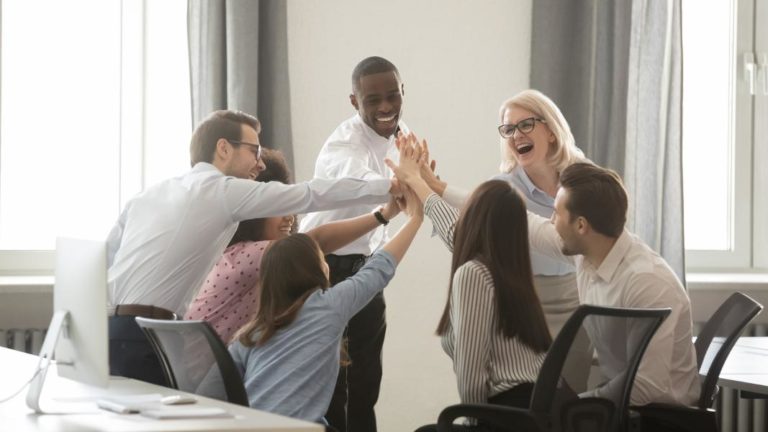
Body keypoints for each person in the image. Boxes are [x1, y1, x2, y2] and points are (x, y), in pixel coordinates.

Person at [107, 109, 396, 387]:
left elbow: (107, 259)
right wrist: (394, 187)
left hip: (111, 329)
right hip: (146, 336)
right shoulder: (219, 191)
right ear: (223, 148)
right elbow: (310, 194)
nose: (259, 164)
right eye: (253, 151)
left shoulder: (148, 194)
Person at [387, 138, 551, 431]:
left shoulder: (474, 274)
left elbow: (471, 373)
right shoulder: (512, 274)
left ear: (475, 219)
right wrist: (424, 185)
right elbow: (456, 232)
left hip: (503, 416)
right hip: (533, 415)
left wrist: (472, 422)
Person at [229, 183, 423, 428]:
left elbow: (219, 382)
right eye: (322, 256)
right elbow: (379, 268)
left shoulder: (251, 333)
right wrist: (416, 218)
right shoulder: (326, 307)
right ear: (317, 267)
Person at [523, 162, 700, 406]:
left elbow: (647, 386)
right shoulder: (587, 251)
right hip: (622, 404)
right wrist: (450, 192)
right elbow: (528, 224)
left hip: (656, 417)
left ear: (581, 225)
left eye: (556, 213)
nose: (552, 221)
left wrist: (577, 406)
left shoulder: (646, 282)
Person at [185, 149, 401, 344]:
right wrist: (383, 214)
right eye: (279, 208)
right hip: (205, 377)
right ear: (253, 214)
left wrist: (385, 215)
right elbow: (317, 241)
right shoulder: (245, 256)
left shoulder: (239, 254)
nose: (289, 217)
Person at [420, 89, 586, 341]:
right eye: (509, 129)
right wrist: (429, 189)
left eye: (526, 124)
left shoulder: (584, 180)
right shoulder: (502, 187)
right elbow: (469, 226)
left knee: (575, 379)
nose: (517, 135)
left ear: (551, 131)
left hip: (577, 301)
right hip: (524, 304)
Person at [299, 56, 407, 432]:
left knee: (366, 380)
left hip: (363, 264)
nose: (385, 107)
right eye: (373, 99)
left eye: (392, 96)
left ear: (402, 93)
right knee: (332, 384)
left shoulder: (401, 134)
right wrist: (401, 186)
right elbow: (359, 180)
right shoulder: (343, 146)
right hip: (323, 268)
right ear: (353, 101)